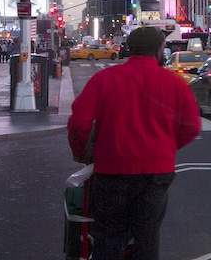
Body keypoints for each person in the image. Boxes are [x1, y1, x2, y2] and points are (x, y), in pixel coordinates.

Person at [68, 26, 202, 260]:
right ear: (160, 50)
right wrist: (165, 147)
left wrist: (84, 152)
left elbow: (79, 122)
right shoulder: (175, 83)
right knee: (147, 234)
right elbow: (191, 126)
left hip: (111, 170)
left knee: (109, 235)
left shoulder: (104, 79)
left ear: (130, 49)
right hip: (156, 171)